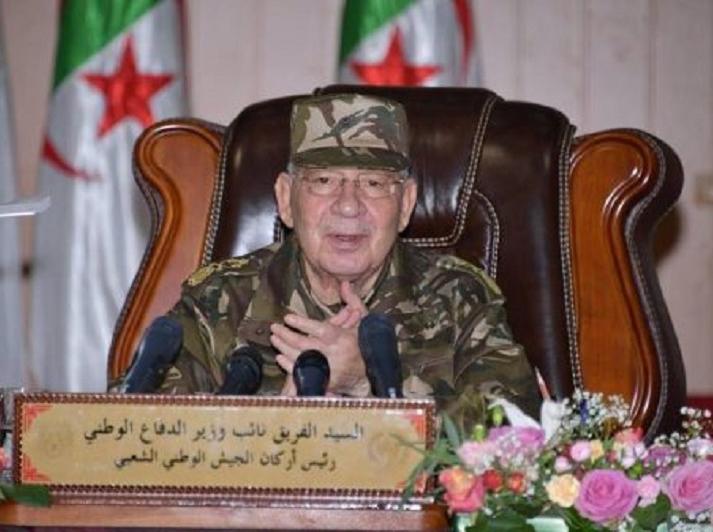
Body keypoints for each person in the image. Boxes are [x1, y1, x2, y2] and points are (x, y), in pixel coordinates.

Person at [157, 93, 542, 424]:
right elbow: (146, 433)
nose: (347, 205)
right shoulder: (220, 299)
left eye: (373, 183)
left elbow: (513, 435)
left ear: (406, 203)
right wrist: (271, 425)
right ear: (286, 199)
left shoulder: (460, 298)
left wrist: (368, 385)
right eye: (323, 181)